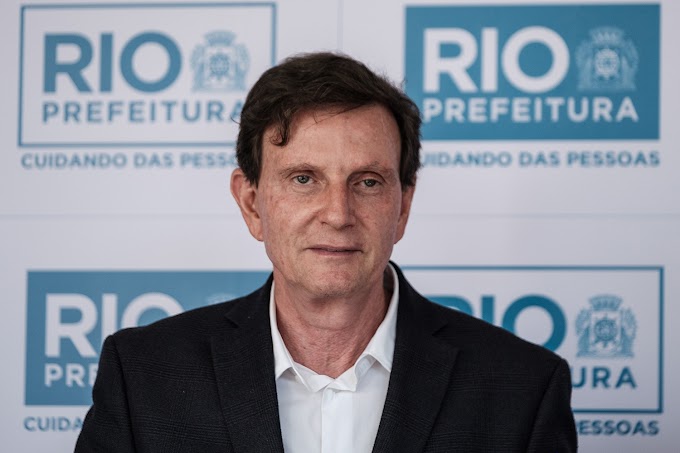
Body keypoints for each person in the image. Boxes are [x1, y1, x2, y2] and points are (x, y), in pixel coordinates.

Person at [75, 52, 577, 452]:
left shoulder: (523, 388)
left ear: (403, 206)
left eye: (368, 181)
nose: (338, 214)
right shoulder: (143, 375)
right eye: (303, 179)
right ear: (251, 203)